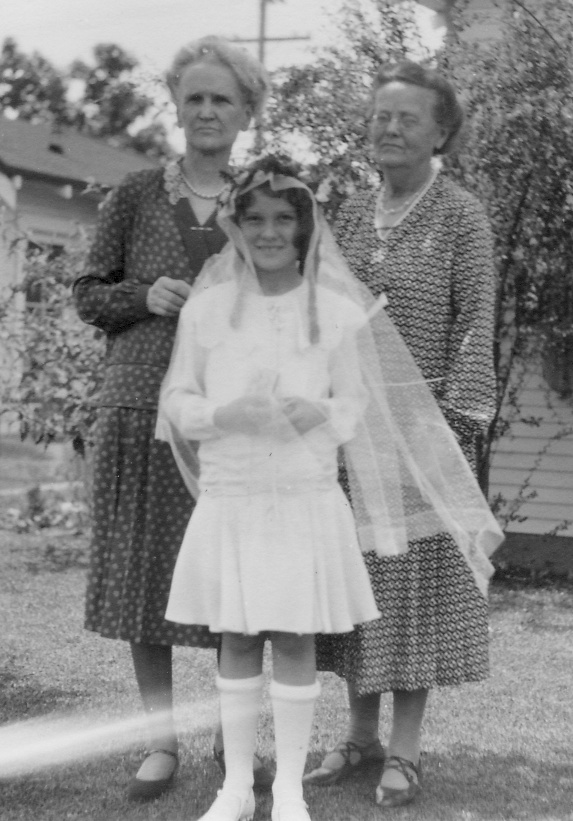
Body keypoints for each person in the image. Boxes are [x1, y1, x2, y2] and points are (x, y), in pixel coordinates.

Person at [156, 155, 503, 821]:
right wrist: (223, 414)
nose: (268, 232)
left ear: (305, 228)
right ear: (236, 227)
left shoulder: (337, 314)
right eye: (254, 219)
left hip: (303, 495)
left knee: (293, 637)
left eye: (283, 219)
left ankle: (288, 789)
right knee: (237, 637)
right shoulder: (207, 310)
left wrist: (317, 413)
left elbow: (354, 405)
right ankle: (235, 787)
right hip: (234, 495)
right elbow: (178, 399)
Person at [73, 36, 270, 802]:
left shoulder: (266, 197)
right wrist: (141, 294)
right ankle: (159, 741)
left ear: (247, 110)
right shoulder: (134, 194)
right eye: (195, 97)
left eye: (223, 98)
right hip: (141, 405)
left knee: (236, 580)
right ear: (177, 107)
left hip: (233, 416)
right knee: (142, 575)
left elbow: (298, 290)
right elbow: (89, 292)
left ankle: (231, 739)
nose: (207, 110)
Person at [304, 60, 501, 808]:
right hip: (346, 433)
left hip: (423, 433)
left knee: (413, 586)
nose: (387, 128)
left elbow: (475, 318)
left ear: (440, 133)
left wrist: (455, 425)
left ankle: (406, 750)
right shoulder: (349, 213)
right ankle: (358, 734)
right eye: (380, 116)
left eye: (406, 118)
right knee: (356, 580)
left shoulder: (460, 215)